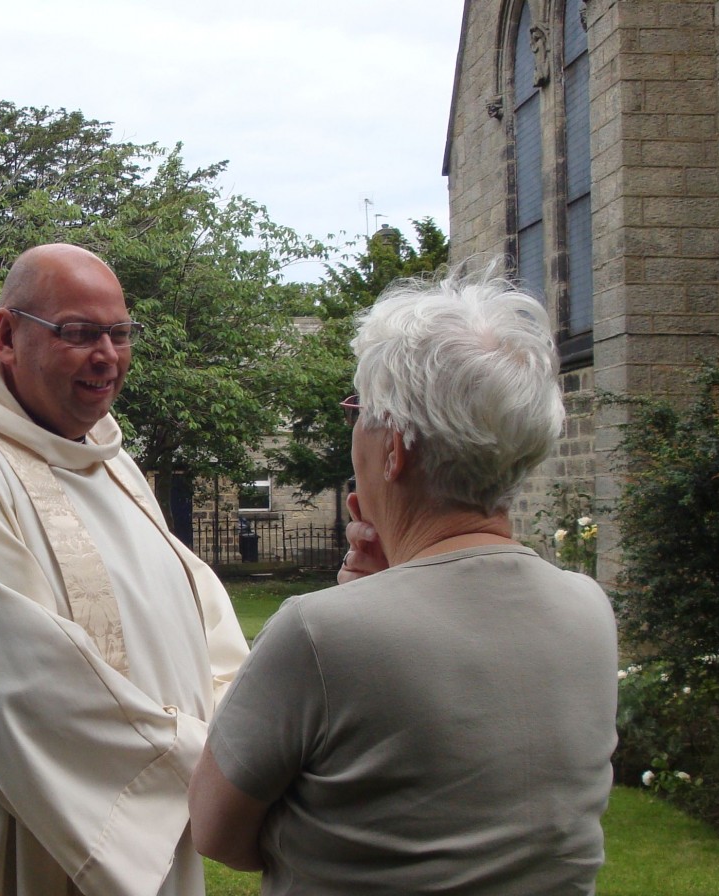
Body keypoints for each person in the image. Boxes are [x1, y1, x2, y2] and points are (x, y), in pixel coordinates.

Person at [189, 268, 618, 895]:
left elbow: (215, 831)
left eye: (358, 412)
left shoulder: (320, 633)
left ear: (395, 450)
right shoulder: (588, 607)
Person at [0, 244, 249, 896]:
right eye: (79, 334)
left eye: (119, 334)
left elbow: (198, 609)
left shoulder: (112, 461)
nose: (107, 357)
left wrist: (246, 720)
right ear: (7, 335)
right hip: (14, 855)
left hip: (152, 851)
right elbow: (16, 695)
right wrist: (212, 758)